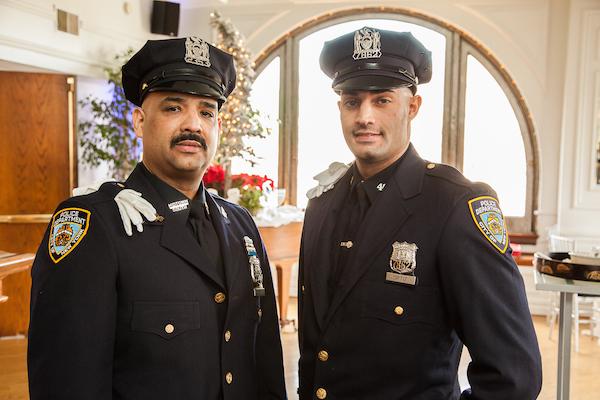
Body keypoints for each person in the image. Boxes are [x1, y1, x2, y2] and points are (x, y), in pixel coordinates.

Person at [28, 36, 287, 400]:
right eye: (173, 108)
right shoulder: (96, 225)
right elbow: (67, 379)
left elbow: (265, 359)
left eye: (207, 112)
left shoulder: (241, 224)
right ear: (139, 120)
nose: (193, 124)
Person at [297, 27, 542, 399]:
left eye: (382, 100)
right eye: (352, 101)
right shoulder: (320, 206)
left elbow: (514, 375)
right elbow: (316, 350)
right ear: (340, 108)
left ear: (412, 107)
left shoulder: (455, 206)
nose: (364, 116)